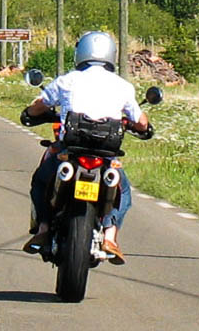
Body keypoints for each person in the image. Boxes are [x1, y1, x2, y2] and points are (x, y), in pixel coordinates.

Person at [20, 30, 152, 264]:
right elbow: (141, 122)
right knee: (124, 192)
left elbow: (40, 105)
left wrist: (30, 113)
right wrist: (143, 128)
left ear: (80, 53)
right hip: (106, 154)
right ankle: (110, 236)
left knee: (40, 181)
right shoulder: (122, 86)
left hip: (68, 151)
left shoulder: (67, 80)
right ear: (111, 55)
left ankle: (42, 228)